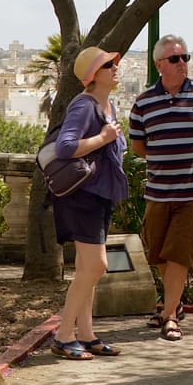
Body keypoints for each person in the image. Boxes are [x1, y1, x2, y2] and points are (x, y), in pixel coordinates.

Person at [128, 34, 193, 341]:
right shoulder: (143, 102)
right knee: (158, 253)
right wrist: (163, 159)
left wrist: (190, 162)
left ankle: (169, 316)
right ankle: (175, 303)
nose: (181, 63)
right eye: (174, 59)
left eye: (185, 58)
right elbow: (137, 146)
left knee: (179, 254)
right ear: (159, 65)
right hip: (158, 191)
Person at [47, 46, 129, 360]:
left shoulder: (107, 105)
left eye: (115, 63)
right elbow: (66, 147)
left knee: (87, 268)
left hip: (100, 195)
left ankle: (86, 333)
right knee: (95, 266)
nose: (116, 67)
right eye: (109, 64)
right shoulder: (84, 105)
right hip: (84, 196)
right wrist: (103, 138)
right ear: (93, 75)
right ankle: (64, 335)